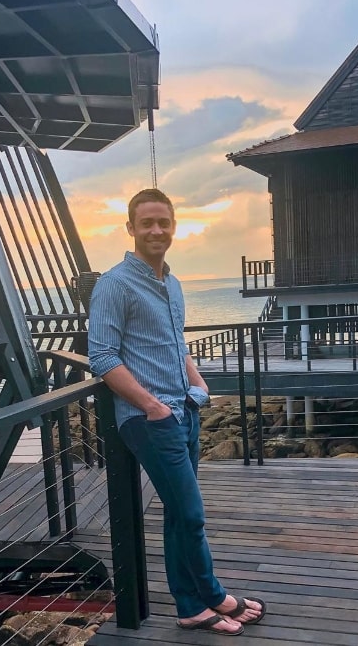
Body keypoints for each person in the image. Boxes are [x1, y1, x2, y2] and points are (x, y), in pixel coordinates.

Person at [88, 188, 266, 636]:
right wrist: (152, 407)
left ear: (174, 226)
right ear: (130, 228)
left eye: (163, 222)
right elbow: (104, 357)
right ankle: (214, 595)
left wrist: (198, 384)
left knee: (175, 513)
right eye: (146, 223)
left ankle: (189, 608)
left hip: (183, 409)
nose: (156, 230)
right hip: (148, 420)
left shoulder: (173, 283)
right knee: (190, 514)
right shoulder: (114, 284)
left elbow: (175, 344)